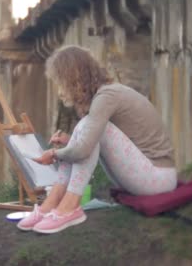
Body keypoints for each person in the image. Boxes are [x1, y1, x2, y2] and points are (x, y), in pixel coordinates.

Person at [17, 45, 177, 234]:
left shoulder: (106, 97)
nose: (60, 91)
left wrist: (53, 153)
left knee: (87, 129)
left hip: (158, 179)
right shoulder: (105, 96)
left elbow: (85, 148)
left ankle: (69, 207)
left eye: (61, 83)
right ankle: (51, 204)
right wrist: (70, 142)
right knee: (84, 129)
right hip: (145, 177)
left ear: (73, 78)